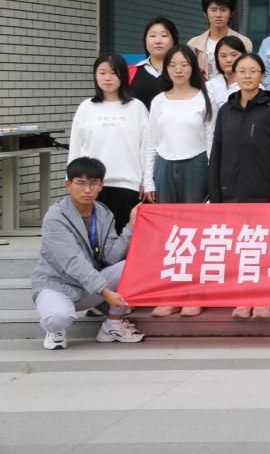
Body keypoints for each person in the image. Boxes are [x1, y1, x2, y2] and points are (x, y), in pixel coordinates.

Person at [208, 53, 270, 320]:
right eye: (242, 71)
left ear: (262, 75)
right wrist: (215, 192)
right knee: (239, 248)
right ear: (234, 74)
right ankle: (242, 297)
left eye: (253, 71)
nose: (247, 76)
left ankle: (264, 297)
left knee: (263, 247)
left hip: (262, 191)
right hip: (230, 191)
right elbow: (217, 151)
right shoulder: (226, 110)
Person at [32, 158, 144, 350]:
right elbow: (72, 261)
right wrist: (106, 292)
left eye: (93, 183)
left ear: (101, 185)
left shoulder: (103, 213)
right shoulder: (55, 217)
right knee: (58, 318)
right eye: (80, 183)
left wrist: (131, 226)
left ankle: (113, 325)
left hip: (88, 287)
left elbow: (110, 256)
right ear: (68, 184)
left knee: (134, 264)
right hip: (56, 285)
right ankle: (56, 329)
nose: (87, 190)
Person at [141, 43, 215, 318]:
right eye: (173, 65)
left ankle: (194, 294)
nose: (178, 69)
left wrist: (212, 180)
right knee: (168, 234)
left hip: (196, 165)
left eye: (184, 64)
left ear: (193, 68)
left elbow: (212, 140)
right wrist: (148, 181)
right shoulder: (159, 101)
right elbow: (151, 143)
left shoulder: (204, 98)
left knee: (195, 233)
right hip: (164, 166)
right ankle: (170, 294)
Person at [69, 53, 148, 235]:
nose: (107, 78)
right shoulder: (86, 107)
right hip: (92, 185)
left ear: (123, 76)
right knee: (94, 236)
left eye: (113, 73)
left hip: (128, 184)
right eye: (102, 73)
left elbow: (146, 146)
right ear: (95, 76)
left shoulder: (137, 107)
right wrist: (71, 177)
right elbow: (76, 145)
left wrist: (146, 180)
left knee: (125, 236)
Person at [188, 0, 253, 79]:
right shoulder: (194, 44)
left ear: (231, 13)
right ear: (205, 13)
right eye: (213, 10)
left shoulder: (244, 42)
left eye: (223, 10)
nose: (218, 15)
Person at [129, 17, 178, 108]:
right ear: (145, 41)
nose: (158, 41)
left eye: (164, 36)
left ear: (174, 41)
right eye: (152, 36)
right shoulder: (130, 72)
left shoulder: (185, 71)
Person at [205, 35, 245, 112]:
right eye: (223, 56)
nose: (228, 60)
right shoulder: (209, 86)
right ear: (217, 58)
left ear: (244, 56)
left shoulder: (253, 86)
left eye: (234, 55)